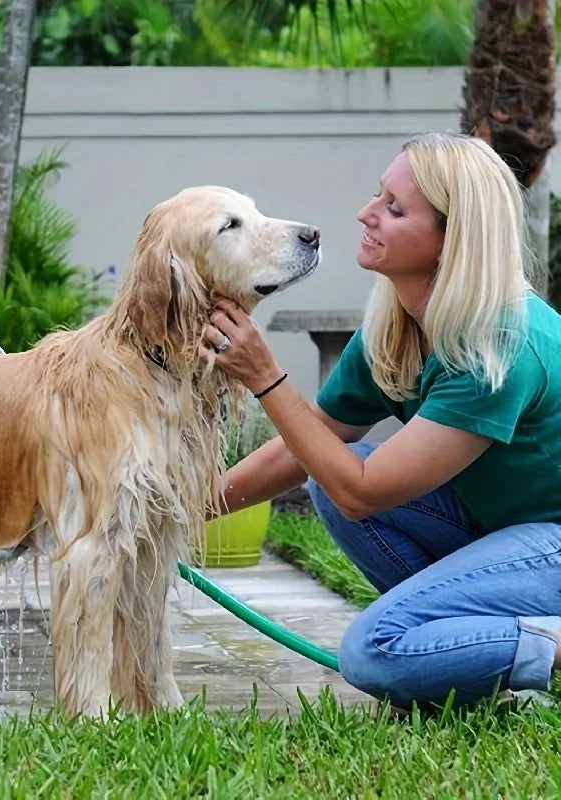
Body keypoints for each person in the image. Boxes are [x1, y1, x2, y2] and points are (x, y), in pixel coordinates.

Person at [206, 131, 561, 710]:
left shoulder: (500, 346)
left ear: (452, 241)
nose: (365, 214)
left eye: (393, 209)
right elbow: (311, 447)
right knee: (327, 470)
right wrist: (180, 507)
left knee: (374, 650)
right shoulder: (399, 328)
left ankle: (518, 651)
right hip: (506, 530)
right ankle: (463, 657)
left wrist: (266, 379)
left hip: (552, 544)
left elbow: (362, 494)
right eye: (379, 195)